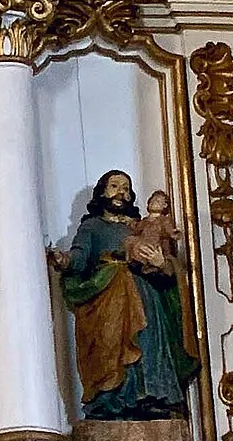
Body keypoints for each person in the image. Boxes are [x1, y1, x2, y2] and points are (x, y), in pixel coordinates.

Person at [55, 169, 198, 423]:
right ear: (102, 192)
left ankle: (150, 397)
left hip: (146, 296)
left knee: (148, 343)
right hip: (108, 297)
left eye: (126, 187)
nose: (121, 192)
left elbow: (166, 266)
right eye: (114, 186)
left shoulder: (141, 226)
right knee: (111, 345)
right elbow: (79, 258)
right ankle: (113, 400)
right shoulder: (93, 227)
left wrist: (160, 261)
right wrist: (64, 260)